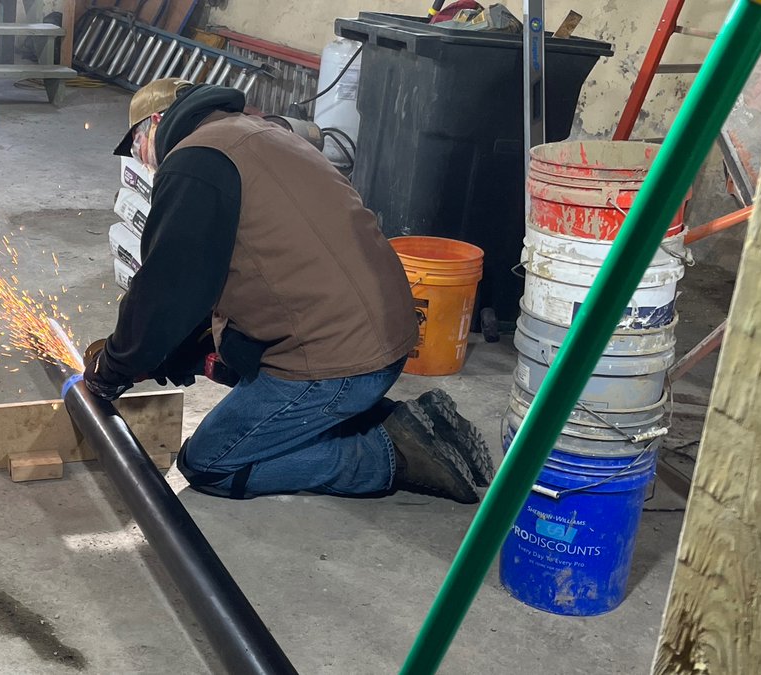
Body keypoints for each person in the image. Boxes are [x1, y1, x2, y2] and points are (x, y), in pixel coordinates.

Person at [83, 78, 493, 502]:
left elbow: (166, 288)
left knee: (211, 464)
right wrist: (182, 350)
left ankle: (391, 452)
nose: (143, 161)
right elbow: (230, 266)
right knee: (230, 357)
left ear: (154, 122)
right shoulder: (260, 134)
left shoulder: (192, 162)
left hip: (340, 362)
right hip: (384, 337)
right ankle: (403, 420)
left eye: (136, 147)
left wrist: (113, 369)